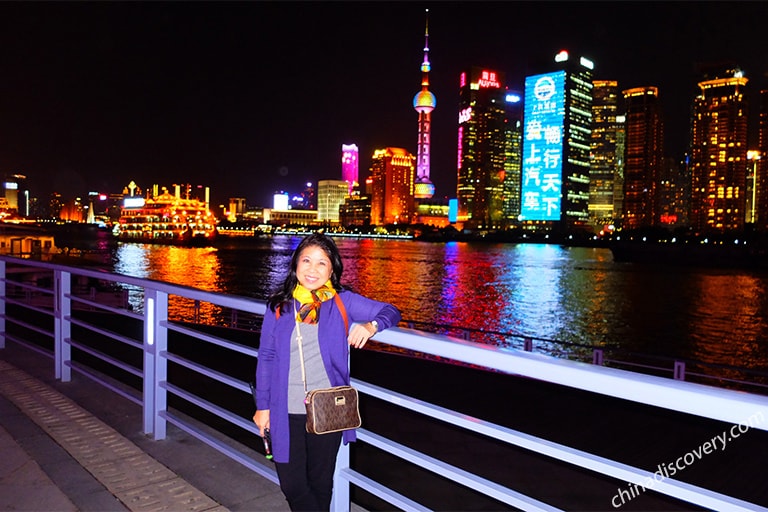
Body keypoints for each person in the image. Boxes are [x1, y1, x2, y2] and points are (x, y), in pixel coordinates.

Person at [253, 233, 401, 511]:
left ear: (332, 269)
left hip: (327, 408)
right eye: (306, 260)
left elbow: (390, 310)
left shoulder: (342, 301)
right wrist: (262, 406)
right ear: (295, 264)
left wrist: (371, 326)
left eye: (322, 263)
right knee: (293, 485)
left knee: (321, 483)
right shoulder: (279, 306)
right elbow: (266, 356)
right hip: (284, 409)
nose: (312, 269)